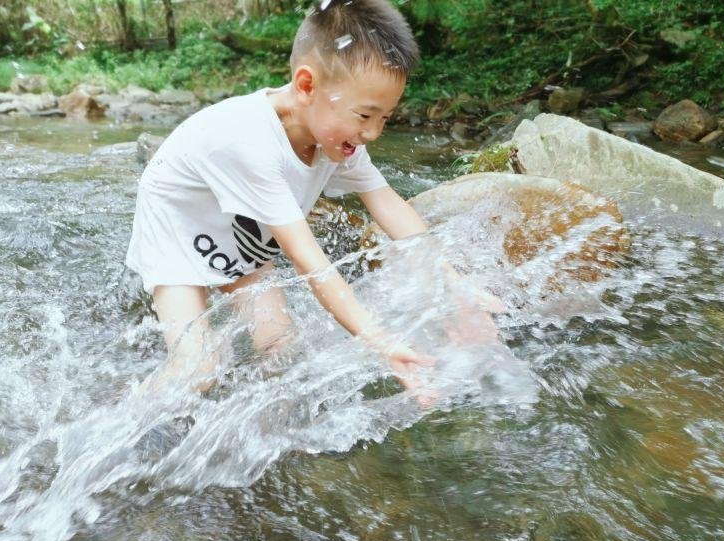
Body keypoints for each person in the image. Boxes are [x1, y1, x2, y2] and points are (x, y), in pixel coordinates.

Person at [126, 0, 491, 398]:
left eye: (385, 118)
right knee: (198, 370)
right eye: (365, 115)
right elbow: (309, 261)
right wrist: (378, 339)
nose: (373, 133)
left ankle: (274, 440)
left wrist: (452, 282)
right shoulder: (250, 143)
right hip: (177, 223)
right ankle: (119, 420)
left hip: (239, 233)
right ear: (306, 86)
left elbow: (388, 203)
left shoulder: (335, 135)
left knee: (283, 347)